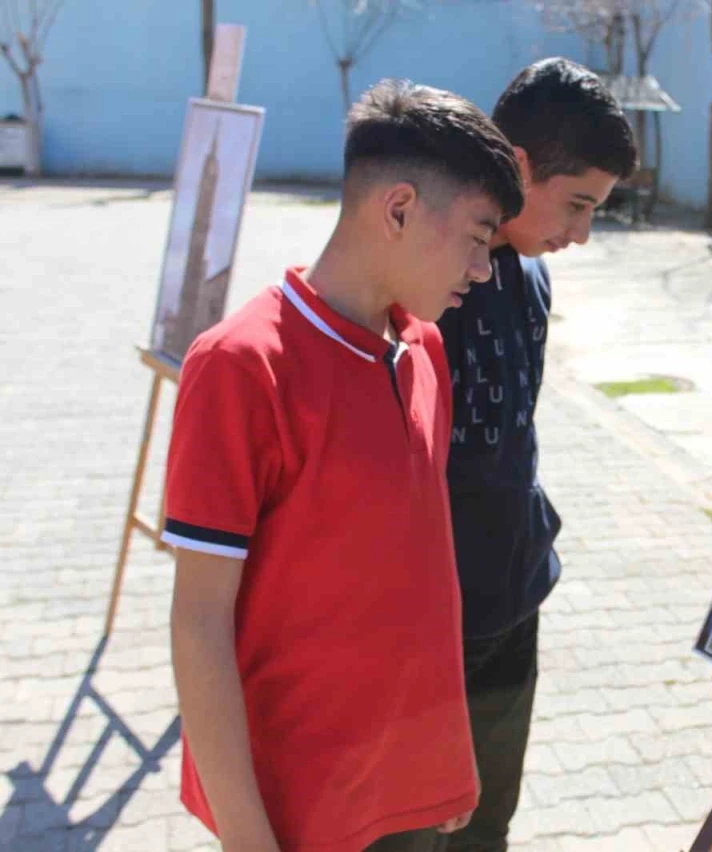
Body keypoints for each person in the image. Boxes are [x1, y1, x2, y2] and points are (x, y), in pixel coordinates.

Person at [164, 80, 523, 852]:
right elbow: (198, 621)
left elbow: (425, 574)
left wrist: (446, 753)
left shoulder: (424, 349)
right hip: (298, 805)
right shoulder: (241, 366)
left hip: (407, 784)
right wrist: (248, 837)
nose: (483, 269)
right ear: (397, 210)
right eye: (477, 237)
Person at [435, 57, 636, 852]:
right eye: (577, 204)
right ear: (519, 166)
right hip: (431, 624)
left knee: (489, 826)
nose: (581, 234)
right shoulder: (423, 281)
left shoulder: (533, 277)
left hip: (514, 600)